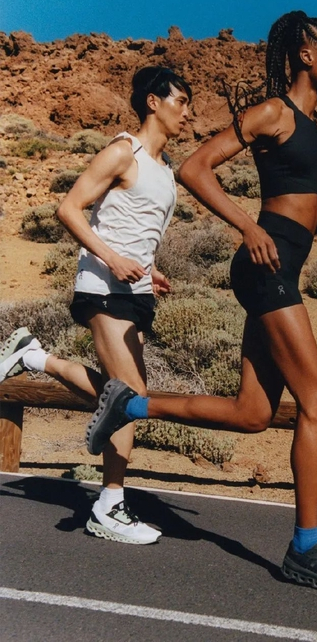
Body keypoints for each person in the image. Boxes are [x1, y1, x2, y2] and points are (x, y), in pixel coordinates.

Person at [85, 11, 317, 592]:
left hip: (281, 264)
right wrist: (247, 225)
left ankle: (130, 407)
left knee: (253, 414)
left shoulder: (312, 128)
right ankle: (306, 548)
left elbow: (296, 216)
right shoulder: (274, 112)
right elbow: (196, 168)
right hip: (266, 269)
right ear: (306, 56)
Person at [0, 65, 192, 545]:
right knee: (128, 395)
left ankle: (34, 357)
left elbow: (137, 228)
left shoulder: (166, 169)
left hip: (136, 289)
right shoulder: (123, 151)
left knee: (122, 395)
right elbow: (69, 208)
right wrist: (113, 258)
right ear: (153, 102)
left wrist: (149, 269)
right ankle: (109, 505)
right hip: (103, 284)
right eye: (181, 101)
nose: (188, 113)